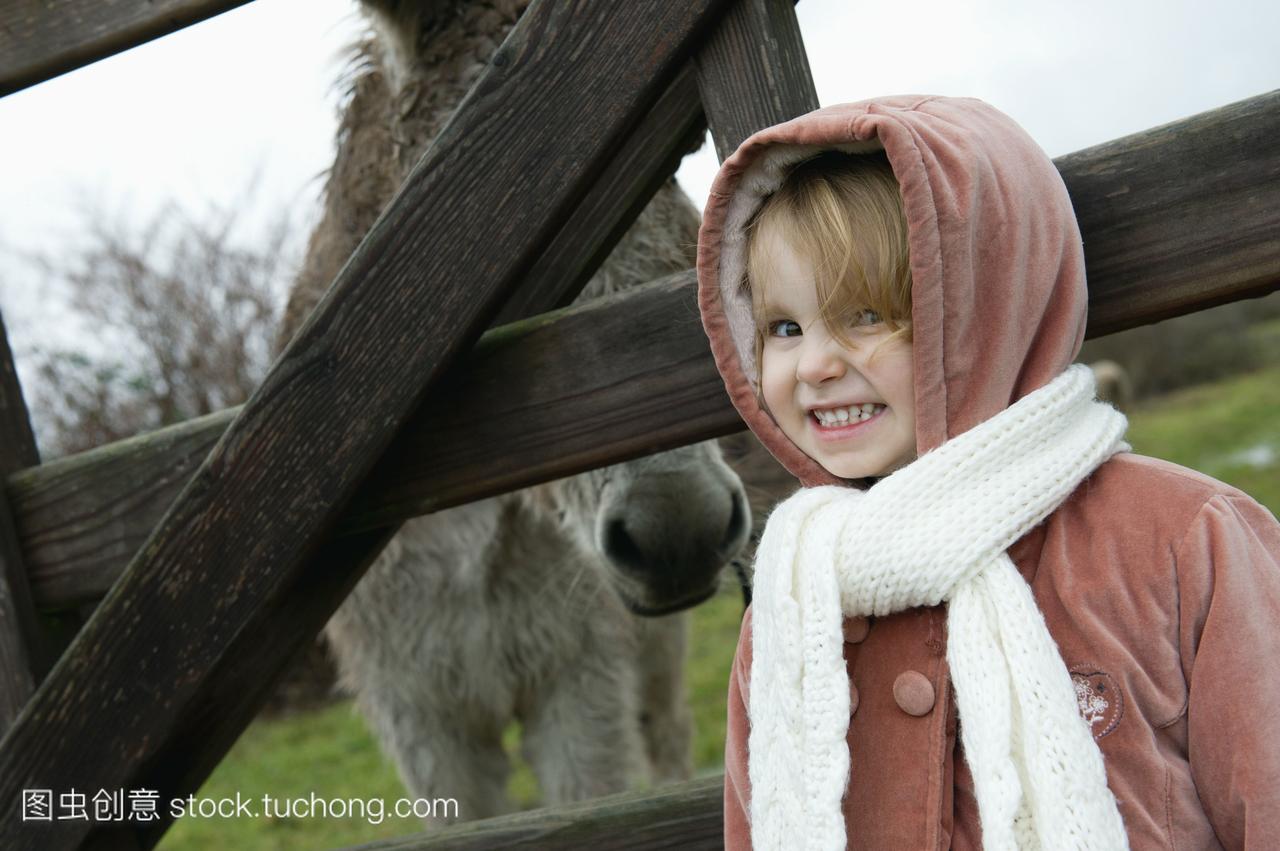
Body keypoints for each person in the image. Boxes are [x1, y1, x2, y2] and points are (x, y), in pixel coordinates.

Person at [695, 95, 1280, 850]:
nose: (814, 364)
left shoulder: (1180, 539)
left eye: (867, 315)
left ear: (985, 303)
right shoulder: (793, 599)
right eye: (784, 328)